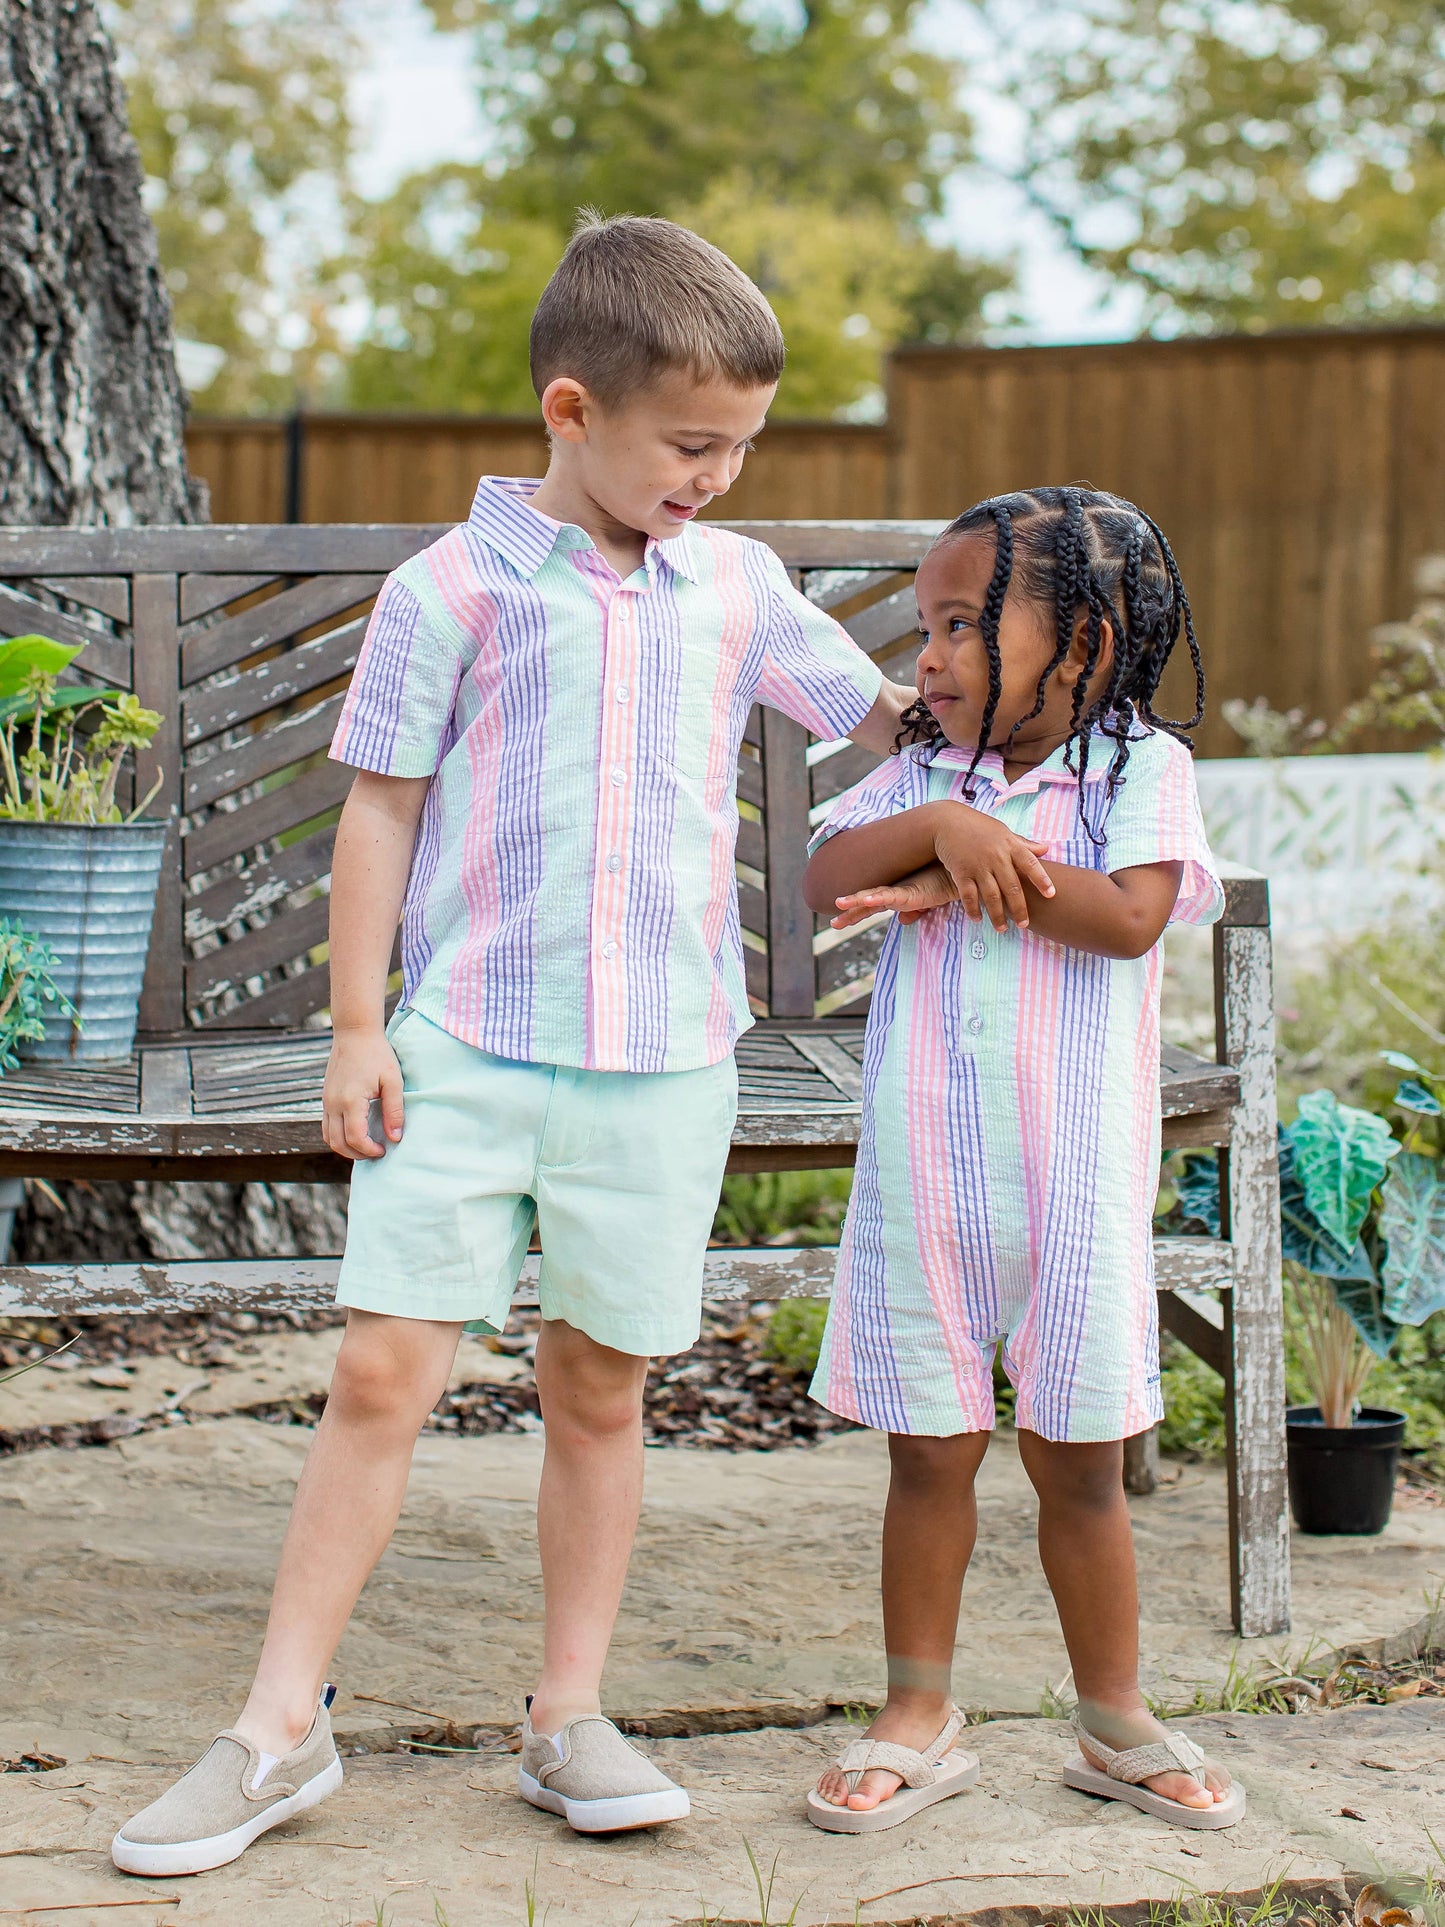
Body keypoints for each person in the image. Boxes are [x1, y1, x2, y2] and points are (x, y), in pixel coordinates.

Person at [111, 213, 914, 1878]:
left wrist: (1028, 712)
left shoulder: (738, 584)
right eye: (691, 445)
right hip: (467, 1046)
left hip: (667, 1058)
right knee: (383, 1375)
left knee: (600, 1388)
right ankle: (278, 1727)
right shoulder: (453, 588)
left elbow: (886, 716)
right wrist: (351, 1031)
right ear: (570, 411)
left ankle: (565, 1713)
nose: (718, 477)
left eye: (742, 448)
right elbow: (378, 816)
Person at [801, 486, 1246, 1836]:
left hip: (1074, 1191)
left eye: (955, 628)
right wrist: (943, 833)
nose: (923, 661)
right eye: (922, 628)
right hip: (926, 1182)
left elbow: (1123, 921)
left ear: (1085, 654)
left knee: (1078, 1464)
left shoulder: (1136, 774)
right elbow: (828, 875)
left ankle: (1111, 1717)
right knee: (928, 1454)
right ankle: (915, 1712)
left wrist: (982, 868)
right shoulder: (927, 774)